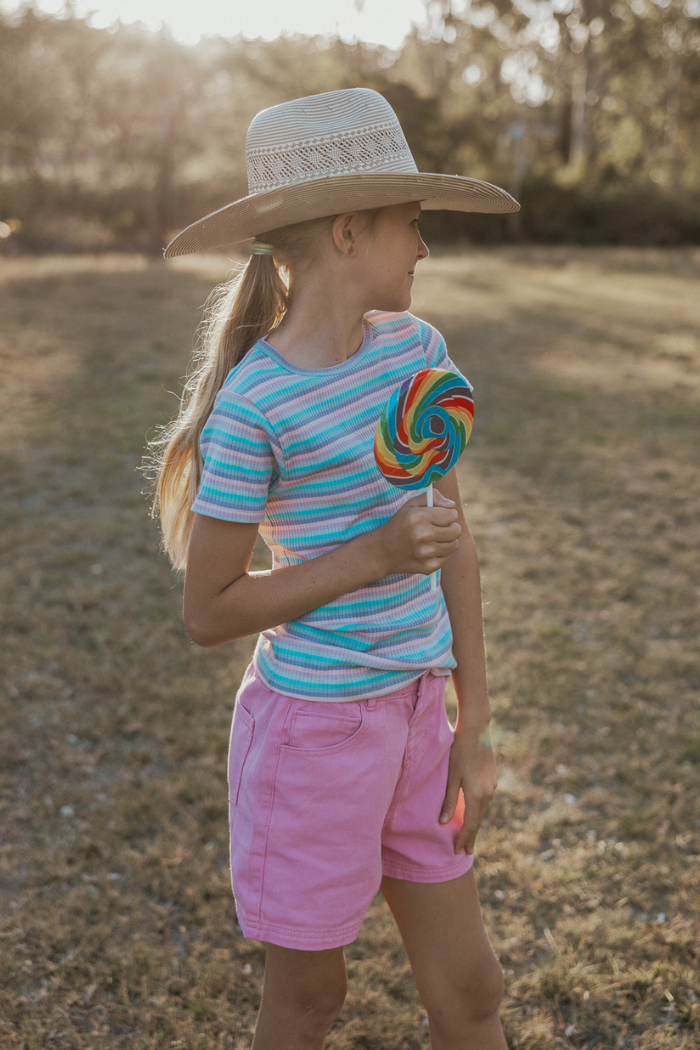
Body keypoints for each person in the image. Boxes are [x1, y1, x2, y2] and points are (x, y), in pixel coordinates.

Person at [152, 88, 519, 1050]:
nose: (425, 249)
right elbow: (208, 610)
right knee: (310, 1003)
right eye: (413, 225)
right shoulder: (255, 409)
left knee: (472, 988)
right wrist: (373, 557)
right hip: (314, 740)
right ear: (351, 231)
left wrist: (471, 721)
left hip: (416, 716)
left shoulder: (419, 360)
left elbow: (456, 541)